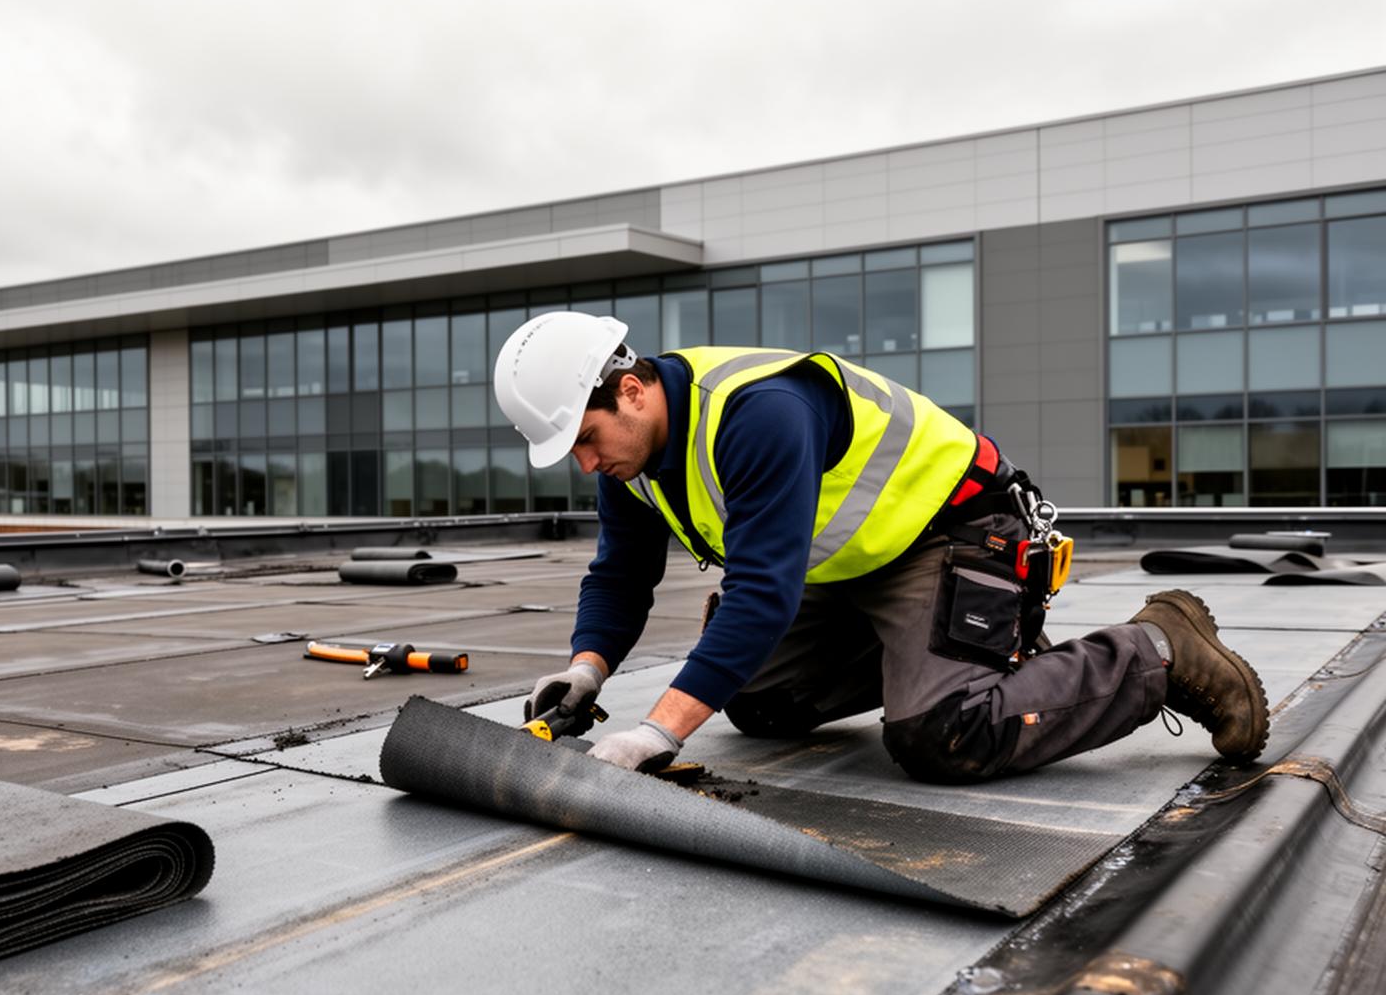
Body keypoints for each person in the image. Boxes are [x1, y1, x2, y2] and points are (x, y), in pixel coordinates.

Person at [495, 311, 1268, 781]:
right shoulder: (633, 458)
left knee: (943, 736)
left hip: (958, 531)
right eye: (574, 452)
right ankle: (935, 655)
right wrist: (586, 669)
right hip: (857, 568)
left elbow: (764, 592)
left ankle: (1158, 650)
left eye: (588, 440)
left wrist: (657, 732)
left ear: (630, 390)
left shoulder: (756, 412)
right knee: (754, 697)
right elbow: (621, 574)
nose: (589, 464)